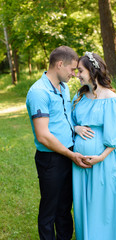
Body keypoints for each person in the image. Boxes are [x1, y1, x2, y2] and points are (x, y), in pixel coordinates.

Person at [26, 46, 91, 240]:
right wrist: (71, 155)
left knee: (64, 206)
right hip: (51, 159)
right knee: (50, 209)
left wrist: (75, 128)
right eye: (72, 69)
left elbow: (64, 116)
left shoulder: (63, 87)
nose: (74, 74)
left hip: (68, 153)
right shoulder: (38, 92)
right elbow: (43, 136)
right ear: (59, 64)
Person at [72, 51, 116, 240]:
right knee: (84, 206)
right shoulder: (79, 96)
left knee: (103, 207)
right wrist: (76, 127)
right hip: (79, 165)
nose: (77, 74)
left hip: (103, 163)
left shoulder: (111, 99)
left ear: (92, 70)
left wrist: (100, 157)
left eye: (80, 70)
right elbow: (69, 121)